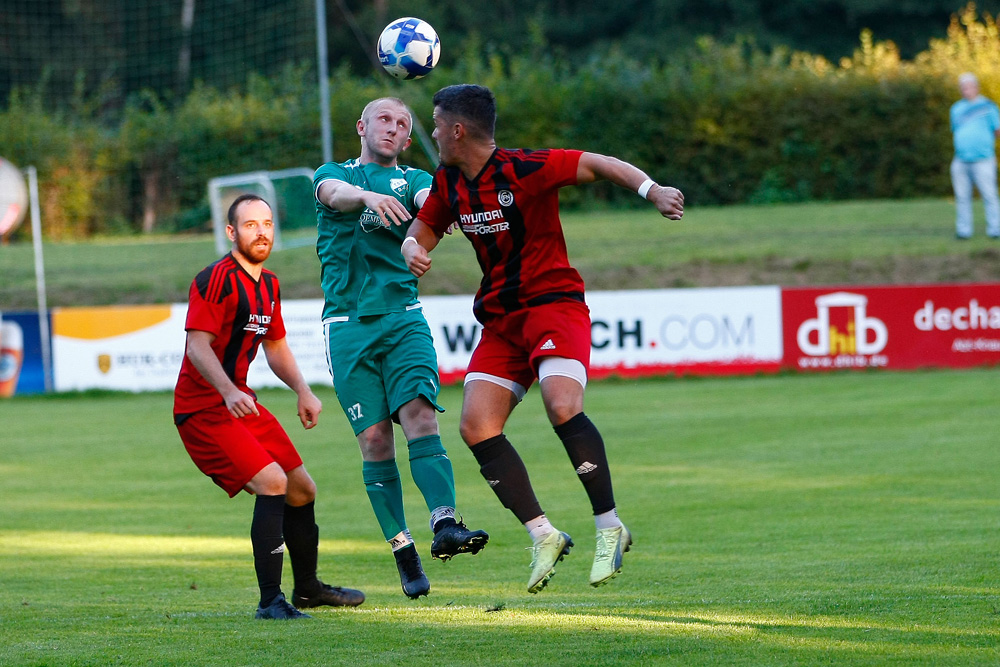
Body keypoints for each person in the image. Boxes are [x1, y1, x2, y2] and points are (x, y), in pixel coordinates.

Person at [402, 84, 685, 593]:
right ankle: (544, 535)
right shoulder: (448, 182)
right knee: (475, 426)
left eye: (437, 123)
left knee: (560, 404)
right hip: (502, 322)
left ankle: (609, 526)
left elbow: (598, 163)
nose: (434, 131)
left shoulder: (525, 168)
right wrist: (412, 249)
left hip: (553, 306)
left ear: (458, 130)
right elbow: (423, 230)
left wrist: (653, 190)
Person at [313, 97, 489, 599]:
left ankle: (446, 524)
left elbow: (433, 203)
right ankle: (402, 547)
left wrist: (432, 223)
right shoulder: (333, 174)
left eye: (402, 125)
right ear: (361, 125)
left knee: (420, 417)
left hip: (404, 319)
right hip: (347, 325)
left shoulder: (413, 180)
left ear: (409, 140)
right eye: (384, 120)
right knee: (374, 442)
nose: (392, 129)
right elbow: (334, 194)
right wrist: (367, 200)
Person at [174, 193, 364, 620]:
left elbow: (276, 347)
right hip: (203, 409)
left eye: (267, 224)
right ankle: (269, 602)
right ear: (231, 233)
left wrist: (303, 390)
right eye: (250, 225)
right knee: (273, 482)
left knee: (302, 488)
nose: (261, 232)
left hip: (241, 404)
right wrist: (227, 390)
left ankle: (309, 589)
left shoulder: (270, 285)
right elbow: (196, 346)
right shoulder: (215, 279)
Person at [950, 72, 1000, 239]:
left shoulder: (988, 106)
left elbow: (997, 130)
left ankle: (995, 230)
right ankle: (963, 231)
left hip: (983, 159)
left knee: (989, 195)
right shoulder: (956, 109)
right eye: (963, 87)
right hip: (961, 159)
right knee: (962, 197)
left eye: (969, 86)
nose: (966, 90)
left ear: (976, 87)